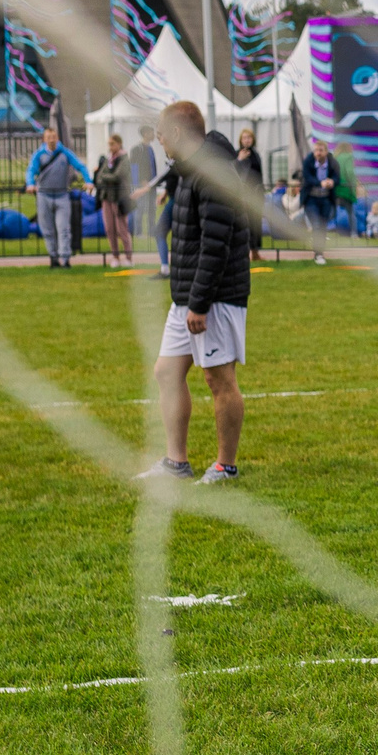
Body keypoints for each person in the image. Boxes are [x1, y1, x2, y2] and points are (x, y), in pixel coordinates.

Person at [139, 101, 251, 483]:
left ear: (179, 135)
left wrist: (200, 302)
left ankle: (226, 466)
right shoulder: (188, 171)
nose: (159, 141)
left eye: (161, 135)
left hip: (214, 297)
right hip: (188, 296)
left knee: (219, 379)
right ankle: (176, 463)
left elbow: (216, 244)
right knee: (166, 372)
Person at [26, 124, 89, 268]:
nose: (51, 140)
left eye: (53, 137)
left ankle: (65, 258)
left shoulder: (65, 153)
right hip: (44, 195)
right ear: (44, 139)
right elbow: (31, 170)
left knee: (63, 228)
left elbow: (80, 166)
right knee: (47, 229)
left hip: (61, 195)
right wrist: (30, 184)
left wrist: (88, 181)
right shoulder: (39, 154)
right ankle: (53, 257)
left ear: (57, 138)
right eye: (49, 137)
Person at [128, 124, 166, 273]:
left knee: (151, 208)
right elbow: (134, 167)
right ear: (145, 133)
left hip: (151, 185)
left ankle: (151, 230)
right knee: (141, 208)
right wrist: (139, 182)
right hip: (142, 185)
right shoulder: (137, 149)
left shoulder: (150, 149)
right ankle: (138, 232)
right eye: (151, 132)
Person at [91, 134, 131, 266]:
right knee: (109, 228)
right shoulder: (107, 160)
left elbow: (117, 177)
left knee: (122, 228)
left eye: (112, 144)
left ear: (119, 144)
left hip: (119, 198)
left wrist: (105, 178)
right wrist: (105, 177)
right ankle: (115, 256)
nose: (110, 147)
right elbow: (98, 177)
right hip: (106, 197)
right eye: (109, 144)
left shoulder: (124, 159)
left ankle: (128, 257)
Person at [300, 138, 341, 263]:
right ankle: (318, 254)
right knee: (316, 225)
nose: (318, 153)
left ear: (326, 152)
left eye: (320, 150)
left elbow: (337, 177)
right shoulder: (308, 161)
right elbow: (307, 177)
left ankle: (320, 251)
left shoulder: (333, 162)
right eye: (316, 150)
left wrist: (332, 181)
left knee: (323, 226)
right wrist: (320, 183)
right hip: (311, 198)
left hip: (326, 199)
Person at [232, 126, 267, 261]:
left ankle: (255, 252)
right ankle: (242, 253)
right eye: (244, 138)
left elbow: (259, 174)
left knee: (255, 225)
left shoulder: (256, 155)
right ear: (240, 140)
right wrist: (239, 160)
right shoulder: (236, 154)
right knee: (243, 224)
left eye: (249, 137)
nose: (247, 140)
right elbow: (232, 172)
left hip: (256, 194)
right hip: (243, 196)